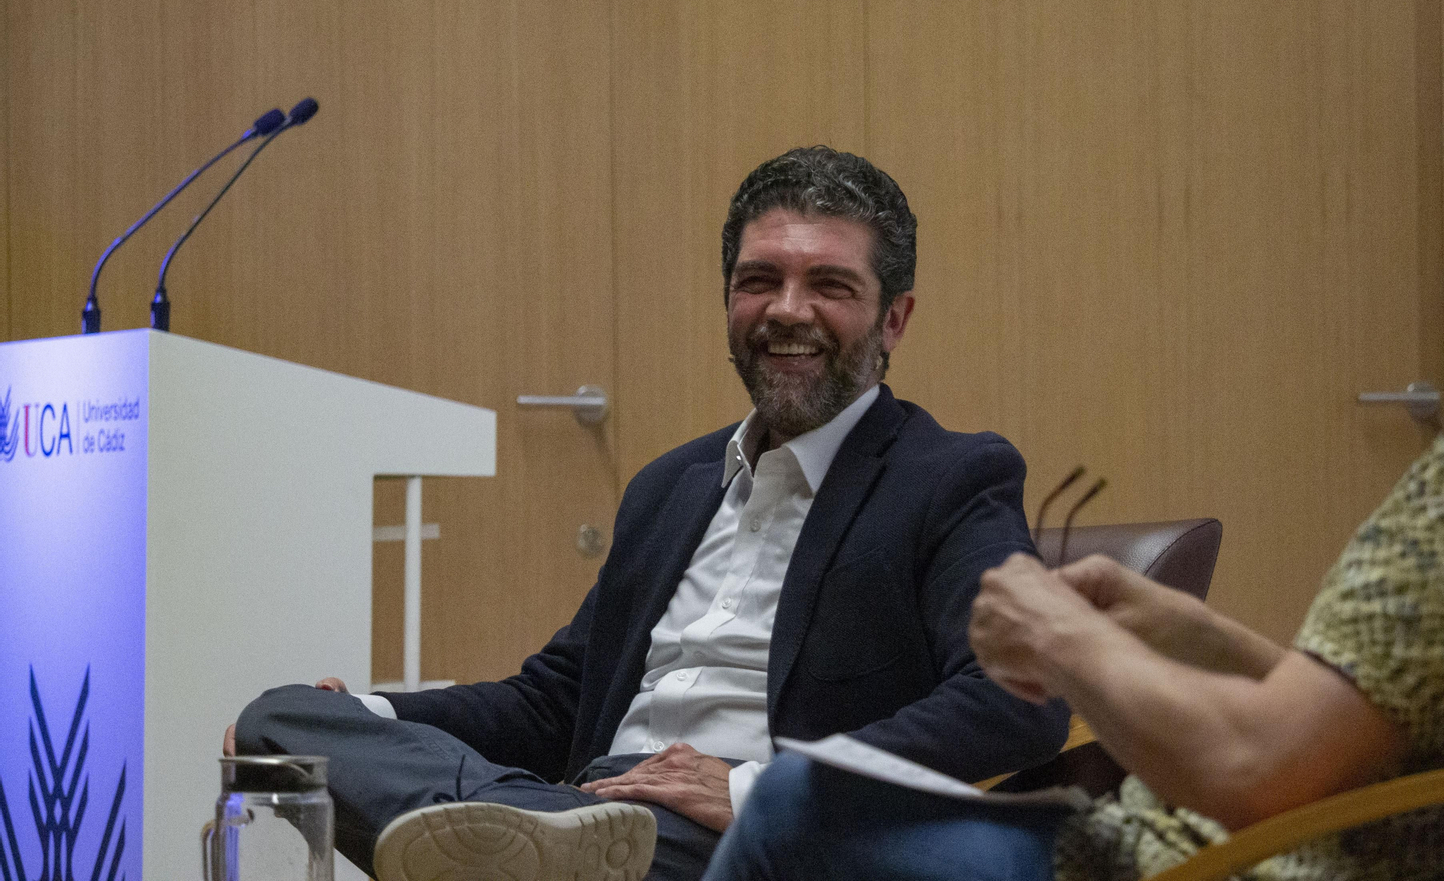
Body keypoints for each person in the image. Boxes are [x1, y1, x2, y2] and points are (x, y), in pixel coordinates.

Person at [700, 59, 1444, 881]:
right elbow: (1377, 728)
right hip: (1294, 838)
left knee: (791, 810)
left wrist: (1059, 636)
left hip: (1231, 864)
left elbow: (1253, 769)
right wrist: (1189, 636)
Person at [229, 146, 1072, 881]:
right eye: (759, 280)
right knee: (284, 719)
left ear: (894, 318)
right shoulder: (672, 485)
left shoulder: (951, 477)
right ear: (729, 302)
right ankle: (520, 840)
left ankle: (520, 845)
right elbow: (553, 703)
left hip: (745, 841)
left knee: (561, 833)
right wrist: (371, 713)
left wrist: (755, 788)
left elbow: (1015, 699)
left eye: (830, 285)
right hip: (586, 801)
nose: (786, 309)